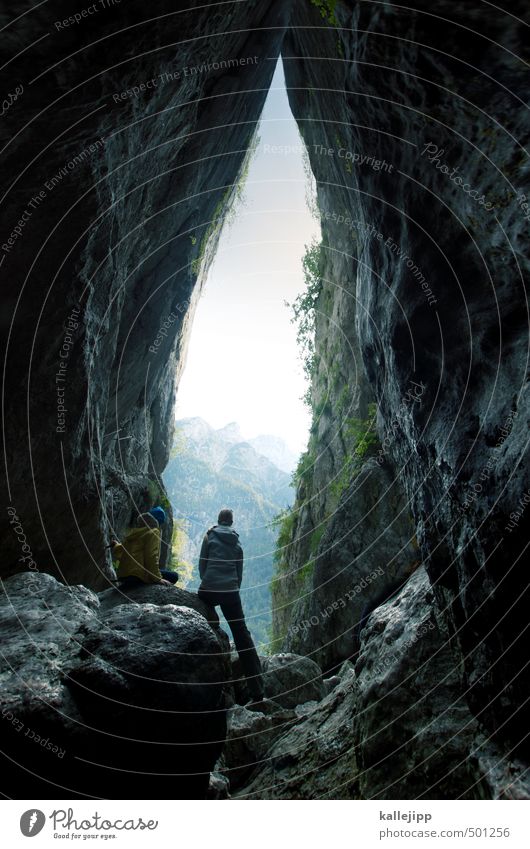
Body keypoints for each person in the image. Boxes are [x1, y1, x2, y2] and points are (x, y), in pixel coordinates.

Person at [197, 508, 264, 704]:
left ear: (218, 521)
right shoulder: (237, 544)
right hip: (231, 593)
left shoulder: (209, 536)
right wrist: (230, 590)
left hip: (208, 589)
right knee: (242, 635)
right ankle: (258, 691)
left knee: (200, 624)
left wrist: (210, 583)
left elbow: (202, 567)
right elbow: (239, 576)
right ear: (232, 522)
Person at [111, 506, 178, 588]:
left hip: (123, 575)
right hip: (137, 576)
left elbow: (121, 550)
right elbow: (151, 556)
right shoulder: (154, 531)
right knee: (174, 576)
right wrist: (157, 578)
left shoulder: (136, 531)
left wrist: (115, 545)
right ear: (159, 523)